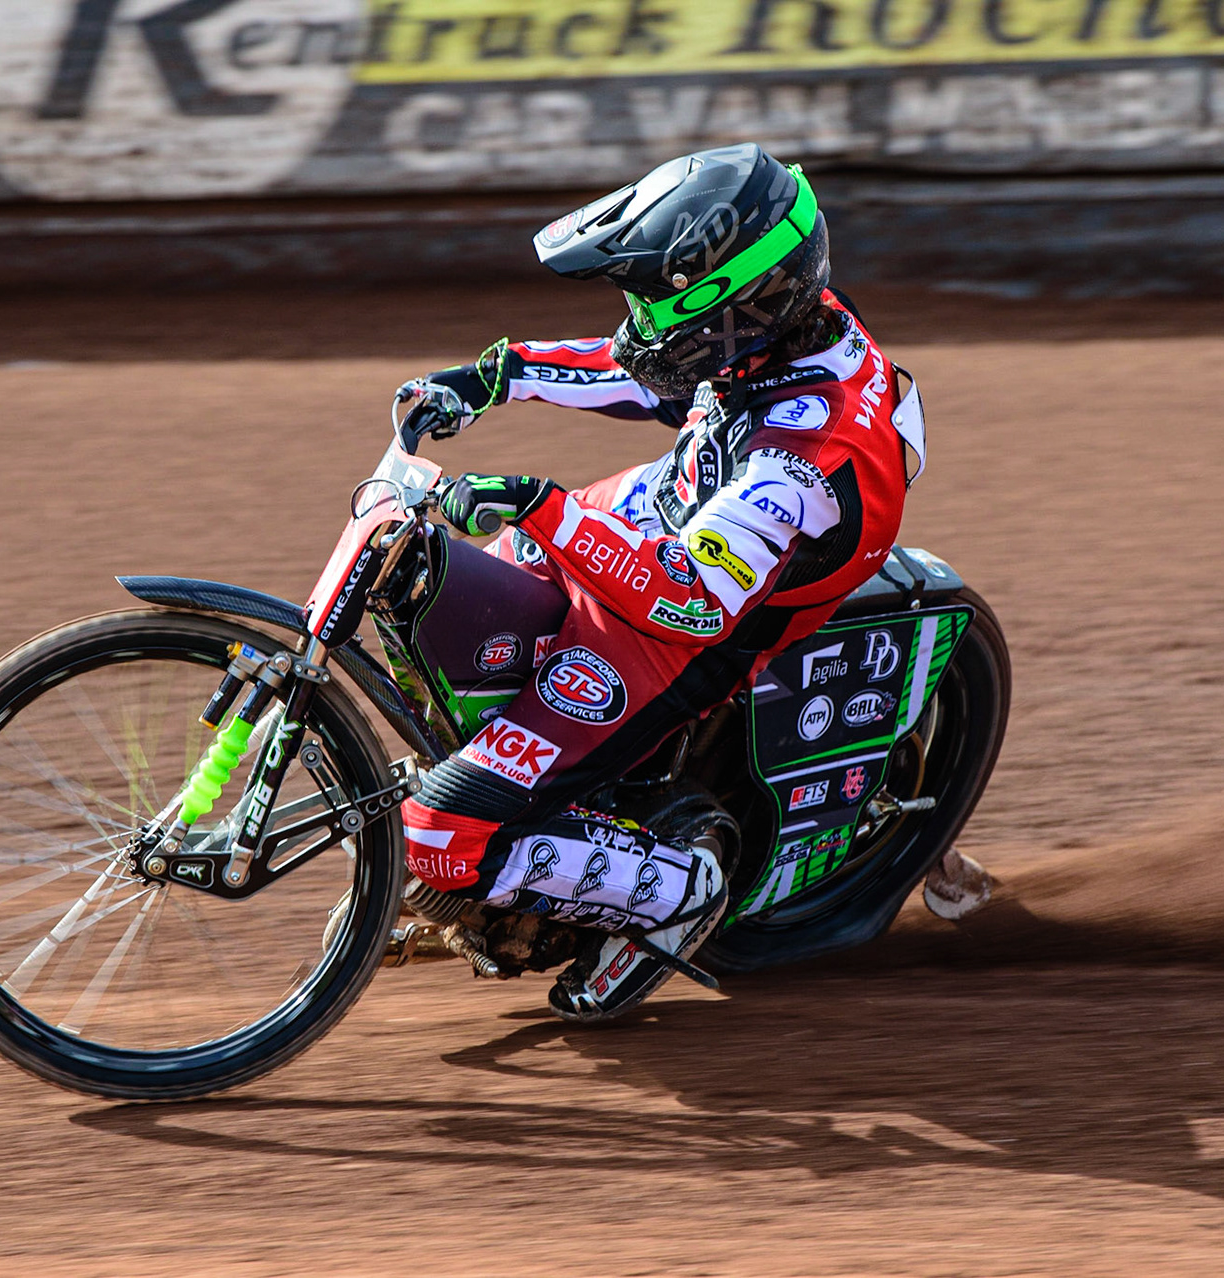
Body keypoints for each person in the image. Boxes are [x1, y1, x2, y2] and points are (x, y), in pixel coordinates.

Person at [394, 142, 920, 1023]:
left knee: (440, 835)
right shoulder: (779, 323)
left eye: (657, 305)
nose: (638, 322)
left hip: (679, 624)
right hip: (660, 514)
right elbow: (655, 375)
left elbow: (690, 600)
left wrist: (541, 507)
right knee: (424, 599)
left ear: (739, 304)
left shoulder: (804, 454)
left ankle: (681, 896)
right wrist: (499, 376)